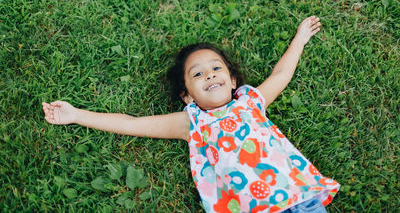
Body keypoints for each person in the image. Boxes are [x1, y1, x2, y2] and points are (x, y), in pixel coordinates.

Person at [43, 16, 340, 212]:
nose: (209, 75)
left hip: (302, 200)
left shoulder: (250, 101)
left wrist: (300, 38)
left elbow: (281, 74)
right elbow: (131, 123)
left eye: (216, 68)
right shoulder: (192, 123)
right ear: (187, 96)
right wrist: (77, 114)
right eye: (197, 74)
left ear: (233, 80)